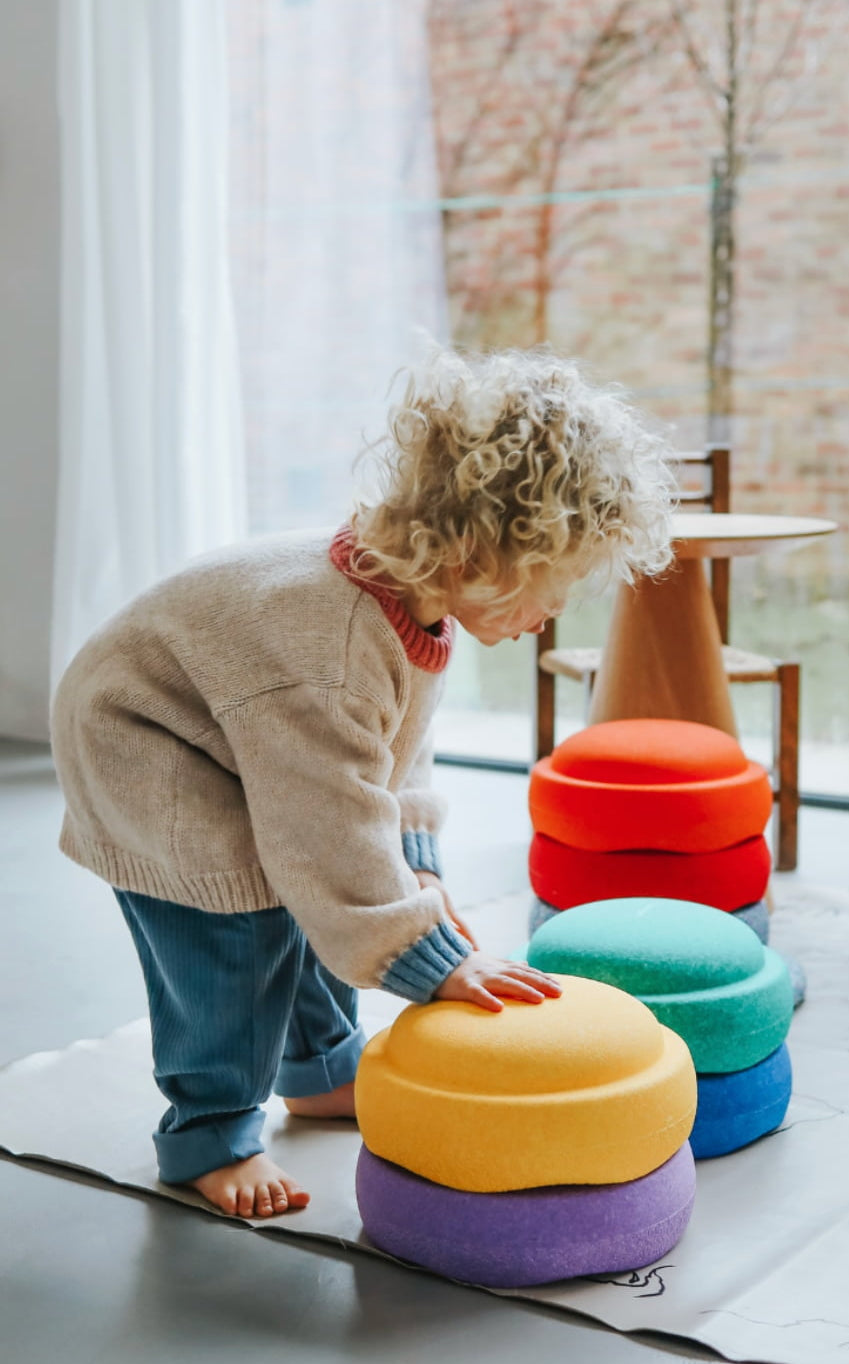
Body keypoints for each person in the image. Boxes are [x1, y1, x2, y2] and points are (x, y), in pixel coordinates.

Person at [50, 345, 675, 1220]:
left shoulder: (415, 605)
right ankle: (210, 1134)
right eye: (551, 586)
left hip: (229, 731)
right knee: (240, 930)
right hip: (146, 744)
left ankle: (321, 1072)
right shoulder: (330, 651)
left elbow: (393, 754)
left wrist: (416, 868)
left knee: (316, 901)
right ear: (476, 555)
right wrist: (430, 958)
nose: (552, 615)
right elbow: (329, 835)